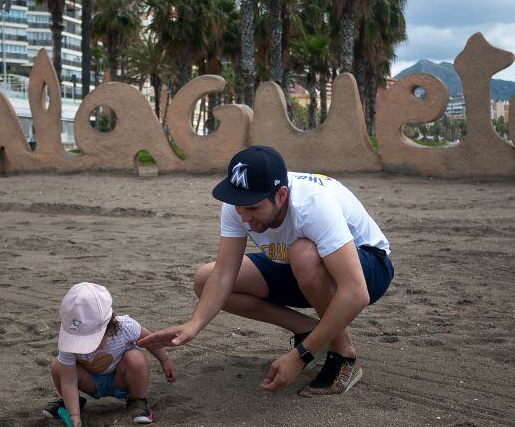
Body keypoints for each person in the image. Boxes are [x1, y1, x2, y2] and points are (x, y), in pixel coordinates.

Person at [140, 146, 393, 395]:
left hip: (367, 269)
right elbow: (225, 273)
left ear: (281, 195)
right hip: (300, 266)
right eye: (239, 206)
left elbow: (355, 292)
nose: (244, 216)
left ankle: (342, 355)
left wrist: (300, 356)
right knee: (205, 279)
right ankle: (309, 331)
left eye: (253, 208)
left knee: (303, 254)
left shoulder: (312, 204)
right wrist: (193, 326)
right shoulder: (239, 203)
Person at [44, 282, 176, 427]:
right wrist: (74, 415)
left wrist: (164, 360)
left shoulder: (125, 327)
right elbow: (68, 380)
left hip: (121, 378)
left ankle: (137, 400)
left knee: (135, 357)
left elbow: (151, 341)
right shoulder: (68, 343)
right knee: (58, 366)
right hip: (90, 382)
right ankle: (73, 405)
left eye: (88, 339)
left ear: (109, 324)